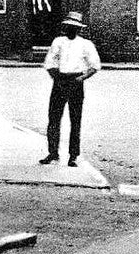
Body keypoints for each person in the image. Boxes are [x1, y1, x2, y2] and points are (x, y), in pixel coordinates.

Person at [39, 11, 100, 167]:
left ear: (79, 29)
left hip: (76, 82)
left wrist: (80, 79)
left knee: (75, 120)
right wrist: (57, 78)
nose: (70, 30)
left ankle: (73, 156)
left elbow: (95, 66)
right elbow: (49, 63)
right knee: (53, 118)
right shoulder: (58, 42)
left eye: (74, 27)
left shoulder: (86, 44)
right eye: (68, 27)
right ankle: (53, 153)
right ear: (65, 27)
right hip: (60, 80)